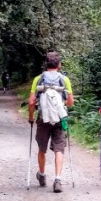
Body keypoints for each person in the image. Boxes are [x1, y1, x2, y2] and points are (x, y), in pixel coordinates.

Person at [27, 52, 74, 193]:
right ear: (59, 65)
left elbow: (31, 102)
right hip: (59, 119)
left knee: (42, 148)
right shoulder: (64, 79)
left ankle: (41, 174)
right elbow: (71, 102)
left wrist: (30, 116)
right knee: (59, 149)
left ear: (45, 64)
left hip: (43, 118)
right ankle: (58, 179)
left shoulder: (38, 79)